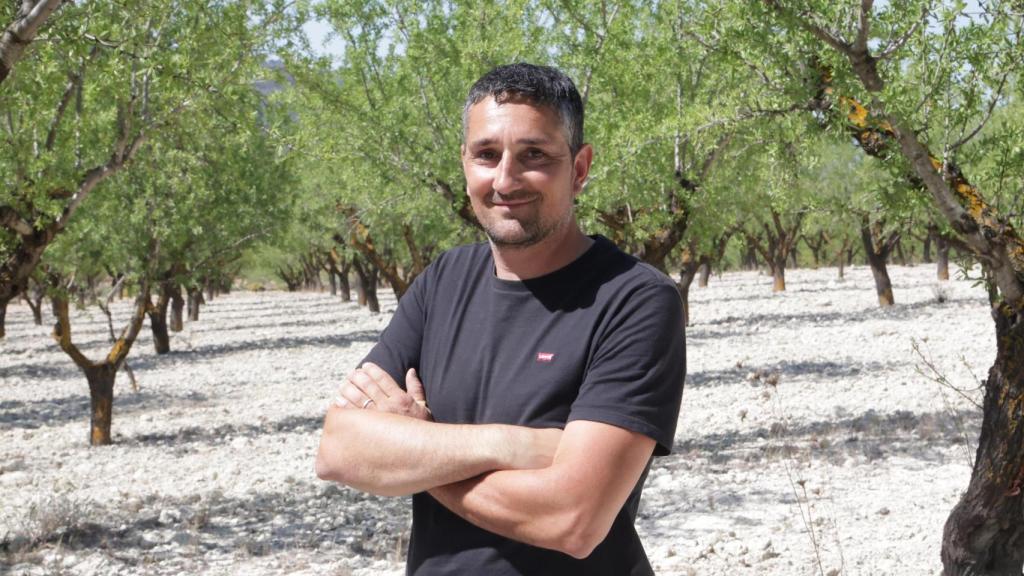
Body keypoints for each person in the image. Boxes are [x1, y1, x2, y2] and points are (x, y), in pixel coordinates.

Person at [315, 62, 686, 575]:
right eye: (486, 155)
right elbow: (340, 448)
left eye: (534, 155)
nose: (506, 179)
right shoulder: (442, 281)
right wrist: (513, 444)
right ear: (464, 164)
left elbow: (571, 520)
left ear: (579, 169)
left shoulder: (635, 300)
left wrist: (420, 450)